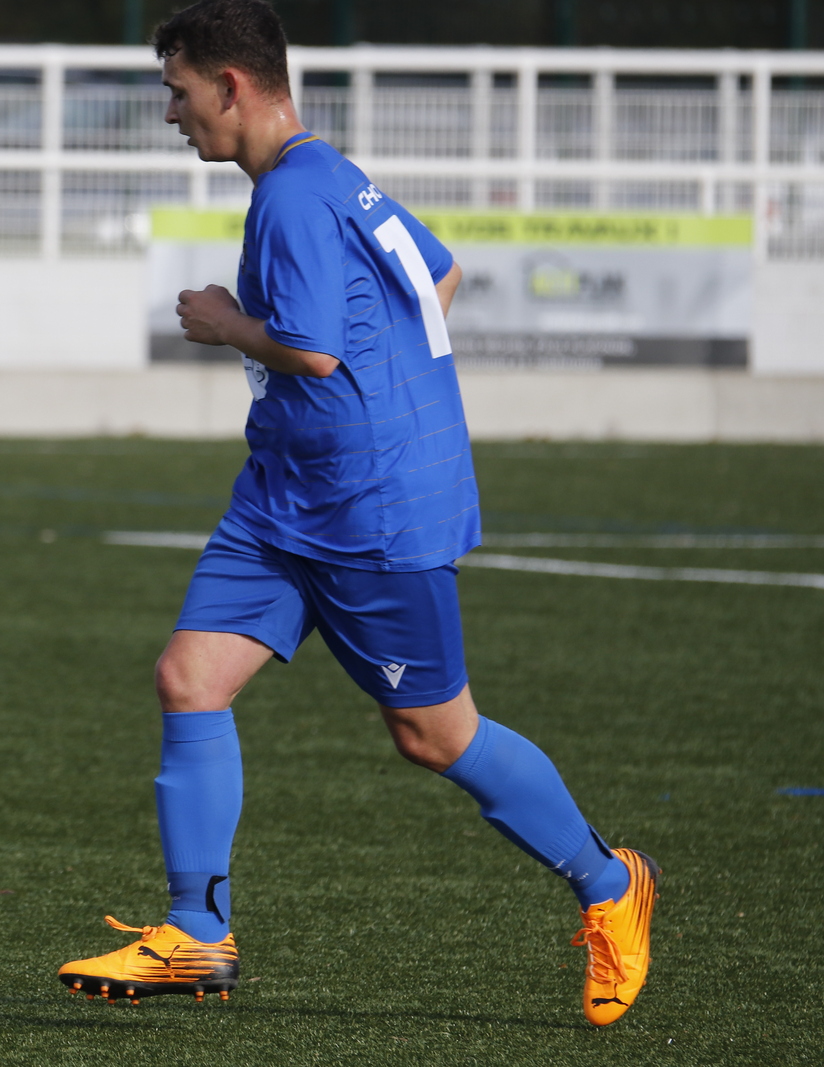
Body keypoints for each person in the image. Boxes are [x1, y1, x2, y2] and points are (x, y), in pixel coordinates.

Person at [55, 0, 657, 1027]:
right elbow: (440, 273)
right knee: (190, 677)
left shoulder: (291, 198)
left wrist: (226, 324)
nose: (170, 113)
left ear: (230, 86)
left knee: (434, 734)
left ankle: (611, 882)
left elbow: (315, 351)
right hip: (284, 494)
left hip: (371, 509)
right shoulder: (332, 174)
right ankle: (196, 932)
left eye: (177, 90)